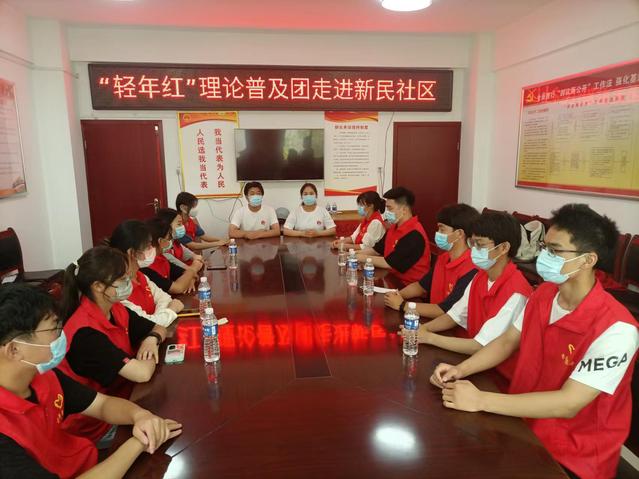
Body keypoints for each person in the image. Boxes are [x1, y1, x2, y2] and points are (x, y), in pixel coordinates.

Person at [431, 204, 639, 479]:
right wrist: (460, 370)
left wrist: (481, 399)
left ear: (588, 260)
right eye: (544, 247)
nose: (543, 256)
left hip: (573, 455)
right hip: (522, 425)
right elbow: (507, 342)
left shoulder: (617, 329)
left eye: (554, 250)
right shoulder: (543, 294)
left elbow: (569, 403)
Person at [0, 284, 182, 479]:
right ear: (14, 350)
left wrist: (140, 416)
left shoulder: (42, 376)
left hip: (89, 463)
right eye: (53, 329)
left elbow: (102, 405)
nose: (61, 334)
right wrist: (138, 442)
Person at [401, 211, 532, 380]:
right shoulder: (480, 276)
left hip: (497, 375)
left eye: (480, 245)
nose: (474, 250)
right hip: (470, 361)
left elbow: (480, 345)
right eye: (473, 243)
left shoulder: (517, 292)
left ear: (503, 248)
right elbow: (454, 316)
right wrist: (422, 329)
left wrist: (429, 338)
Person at [58, 246, 168, 443]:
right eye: (122, 279)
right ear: (99, 286)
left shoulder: (116, 309)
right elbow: (142, 374)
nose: (129, 283)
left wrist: (152, 339)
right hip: (97, 428)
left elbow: (159, 328)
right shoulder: (85, 333)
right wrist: (148, 352)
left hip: (128, 399)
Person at [385, 203, 479, 319]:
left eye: (442, 229)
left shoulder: (472, 268)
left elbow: (445, 310)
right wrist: (396, 295)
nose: (438, 233)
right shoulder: (444, 258)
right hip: (432, 319)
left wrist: (403, 305)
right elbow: (420, 287)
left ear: (459, 234)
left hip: (448, 326)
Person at [109, 220, 185, 327]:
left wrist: (159, 317)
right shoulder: (119, 289)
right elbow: (147, 324)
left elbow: (165, 299)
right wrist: (171, 310)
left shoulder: (141, 276)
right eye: (148, 246)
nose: (152, 249)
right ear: (132, 253)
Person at [355, 186, 430, 285]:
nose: (387, 212)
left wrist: (360, 257)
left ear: (404, 209)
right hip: (391, 278)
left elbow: (390, 263)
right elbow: (376, 250)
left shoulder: (414, 234)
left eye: (390, 208)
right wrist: (354, 254)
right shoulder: (394, 227)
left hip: (408, 285)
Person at [141, 217, 198, 295]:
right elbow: (178, 288)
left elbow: (189, 272)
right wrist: (189, 276)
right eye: (169, 238)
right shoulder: (145, 267)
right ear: (160, 241)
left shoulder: (161, 258)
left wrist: (190, 278)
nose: (170, 241)